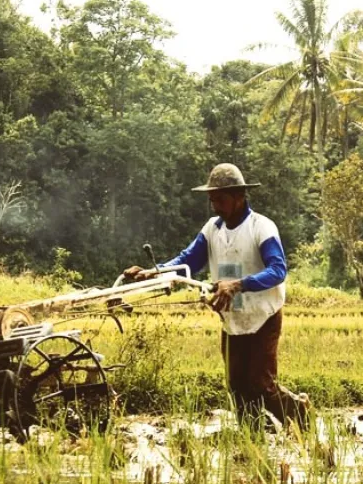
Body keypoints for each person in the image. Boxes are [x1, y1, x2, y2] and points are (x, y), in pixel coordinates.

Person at [124, 163, 309, 430]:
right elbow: (188, 261)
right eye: (212, 200)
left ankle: (302, 418)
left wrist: (239, 285)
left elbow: (278, 270)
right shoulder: (213, 229)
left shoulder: (261, 227)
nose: (215, 206)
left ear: (239, 196)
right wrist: (155, 272)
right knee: (237, 385)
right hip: (232, 318)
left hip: (263, 316)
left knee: (261, 384)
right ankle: (252, 439)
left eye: (220, 199)